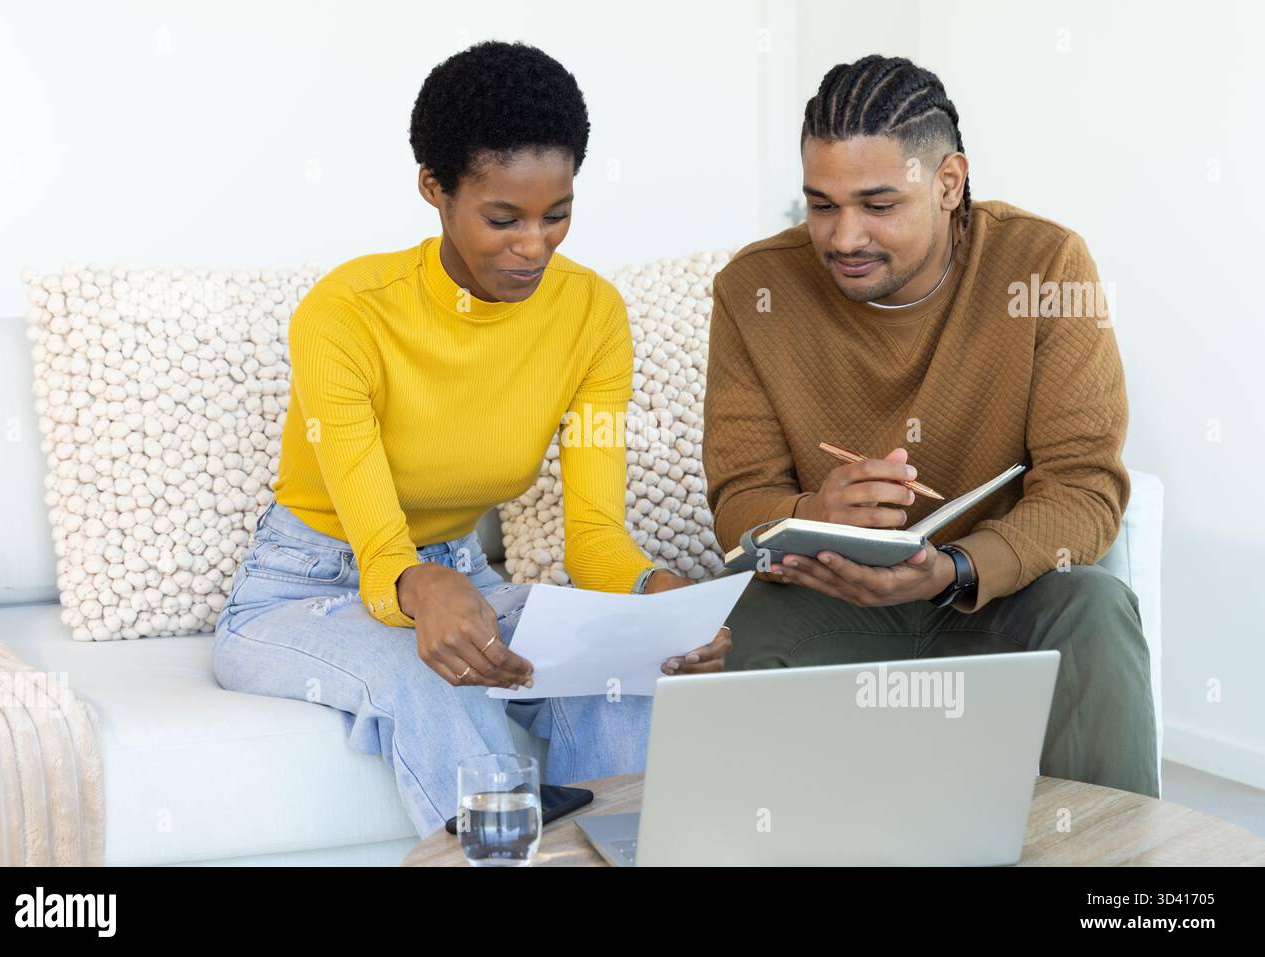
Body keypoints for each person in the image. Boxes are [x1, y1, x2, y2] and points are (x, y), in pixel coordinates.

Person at [213, 40, 729, 838]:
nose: (534, 246)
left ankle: (632, 853)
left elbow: (593, 536)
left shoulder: (592, 315)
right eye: (503, 217)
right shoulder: (346, 312)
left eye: (556, 214)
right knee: (422, 674)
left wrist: (656, 600)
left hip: (460, 575)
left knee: (622, 666)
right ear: (435, 188)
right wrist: (420, 588)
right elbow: (384, 553)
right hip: (301, 588)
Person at [703, 55, 1158, 797]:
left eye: (877, 204)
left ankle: (1117, 882)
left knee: (1098, 609)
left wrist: (956, 569)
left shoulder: (1045, 264)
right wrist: (816, 512)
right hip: (833, 599)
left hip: (999, 594)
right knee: (745, 633)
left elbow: (1085, 486)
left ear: (948, 183)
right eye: (821, 204)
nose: (843, 237)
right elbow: (739, 501)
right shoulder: (754, 289)